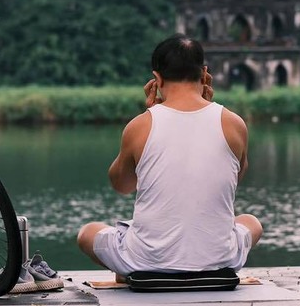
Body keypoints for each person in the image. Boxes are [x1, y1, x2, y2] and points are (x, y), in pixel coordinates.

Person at [76, 34, 263, 277]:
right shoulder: (234, 123)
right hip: (219, 260)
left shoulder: (140, 126)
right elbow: (233, 180)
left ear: (157, 78)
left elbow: (122, 185)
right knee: (251, 222)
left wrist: (151, 114)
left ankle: (127, 269)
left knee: (88, 232)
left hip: (146, 262)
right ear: (204, 73)